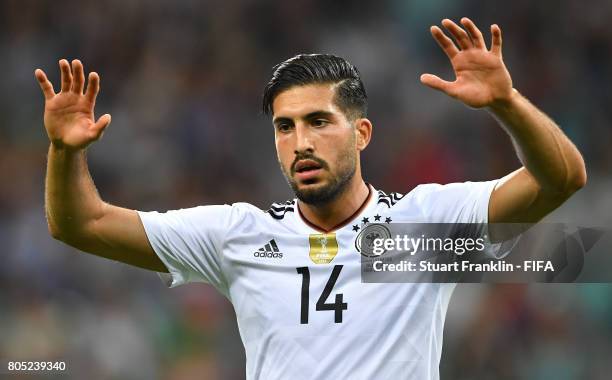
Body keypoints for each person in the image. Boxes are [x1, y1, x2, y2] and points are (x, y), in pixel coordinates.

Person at [35, 18, 585, 380]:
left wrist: (507, 102)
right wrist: (63, 150)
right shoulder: (238, 235)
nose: (300, 142)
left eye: (319, 122)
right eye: (284, 127)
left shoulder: (426, 226)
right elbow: (80, 224)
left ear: (362, 133)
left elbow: (561, 178)